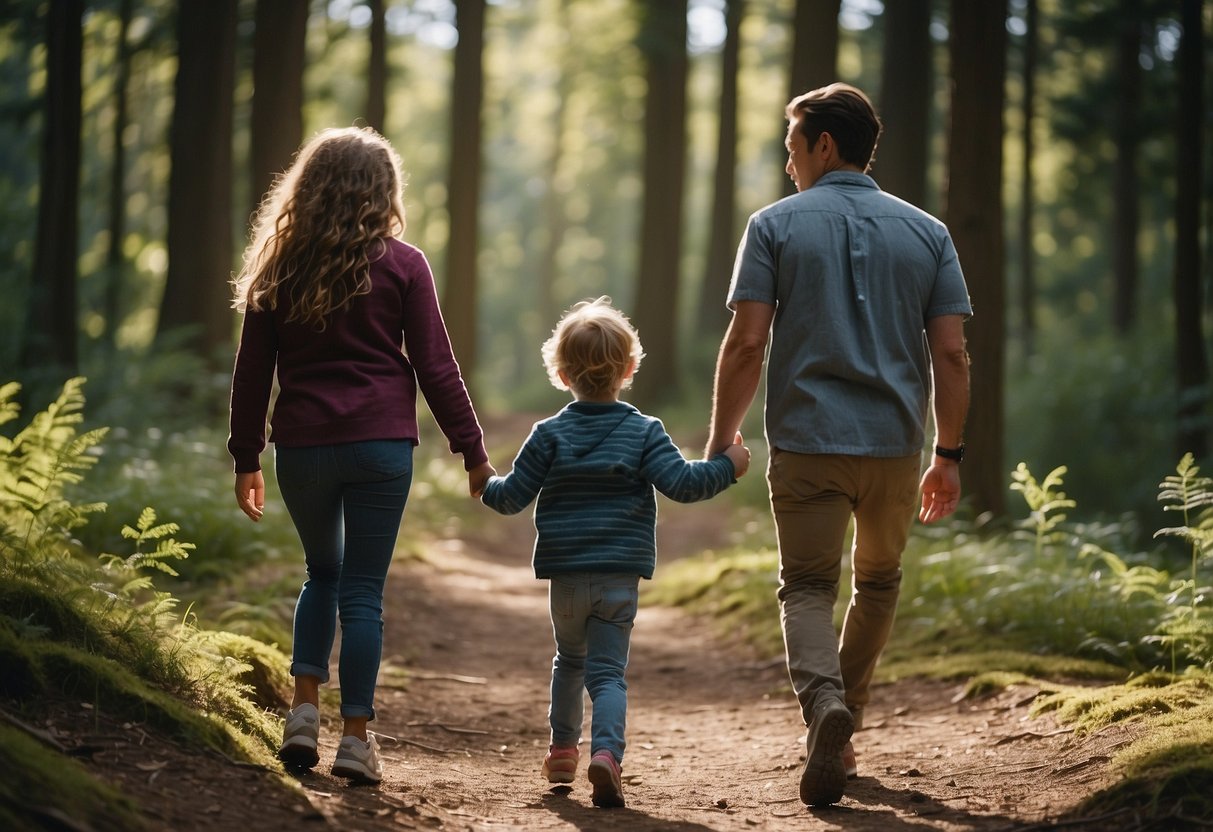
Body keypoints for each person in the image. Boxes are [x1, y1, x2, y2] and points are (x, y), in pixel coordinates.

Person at [705, 83, 972, 807]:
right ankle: (844, 720)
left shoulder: (772, 226)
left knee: (808, 587)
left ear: (823, 145)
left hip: (806, 442)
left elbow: (746, 341)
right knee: (877, 582)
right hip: (893, 448)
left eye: (792, 147)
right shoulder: (927, 232)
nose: (787, 163)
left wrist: (722, 435)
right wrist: (947, 455)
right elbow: (950, 355)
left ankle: (825, 707)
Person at [228, 126, 495, 785]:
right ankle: (354, 741)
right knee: (363, 592)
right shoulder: (403, 264)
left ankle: (300, 715)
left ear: (307, 186)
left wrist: (245, 457)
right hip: (380, 447)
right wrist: (473, 452)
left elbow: (251, 372)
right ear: (383, 191)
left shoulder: (277, 263)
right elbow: (437, 367)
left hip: (303, 448)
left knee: (322, 574)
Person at [480, 297, 750, 808]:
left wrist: (483, 482)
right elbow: (683, 483)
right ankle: (606, 755)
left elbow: (511, 495)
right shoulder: (644, 431)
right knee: (607, 674)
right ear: (629, 369)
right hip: (619, 578)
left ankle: (562, 751)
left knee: (568, 661)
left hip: (566, 578)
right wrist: (729, 466)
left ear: (561, 374)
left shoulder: (548, 434)